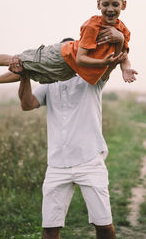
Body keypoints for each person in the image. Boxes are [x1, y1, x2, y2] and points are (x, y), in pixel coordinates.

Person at [9, 37, 120, 239]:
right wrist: (24, 76)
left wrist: (118, 42)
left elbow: (110, 66)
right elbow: (27, 104)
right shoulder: (50, 83)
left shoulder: (92, 79)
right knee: (50, 229)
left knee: (103, 225)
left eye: (73, 55)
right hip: (57, 165)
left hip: (90, 160)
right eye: (63, 56)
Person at [0, 0, 137, 101]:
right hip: (62, 57)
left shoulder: (123, 32)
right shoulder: (94, 26)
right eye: (105, 4)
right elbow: (81, 58)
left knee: (24, 70)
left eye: (115, 4)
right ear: (98, 5)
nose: (110, 9)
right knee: (17, 60)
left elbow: (123, 55)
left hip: (68, 71)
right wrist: (103, 62)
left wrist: (126, 68)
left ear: (124, 5)